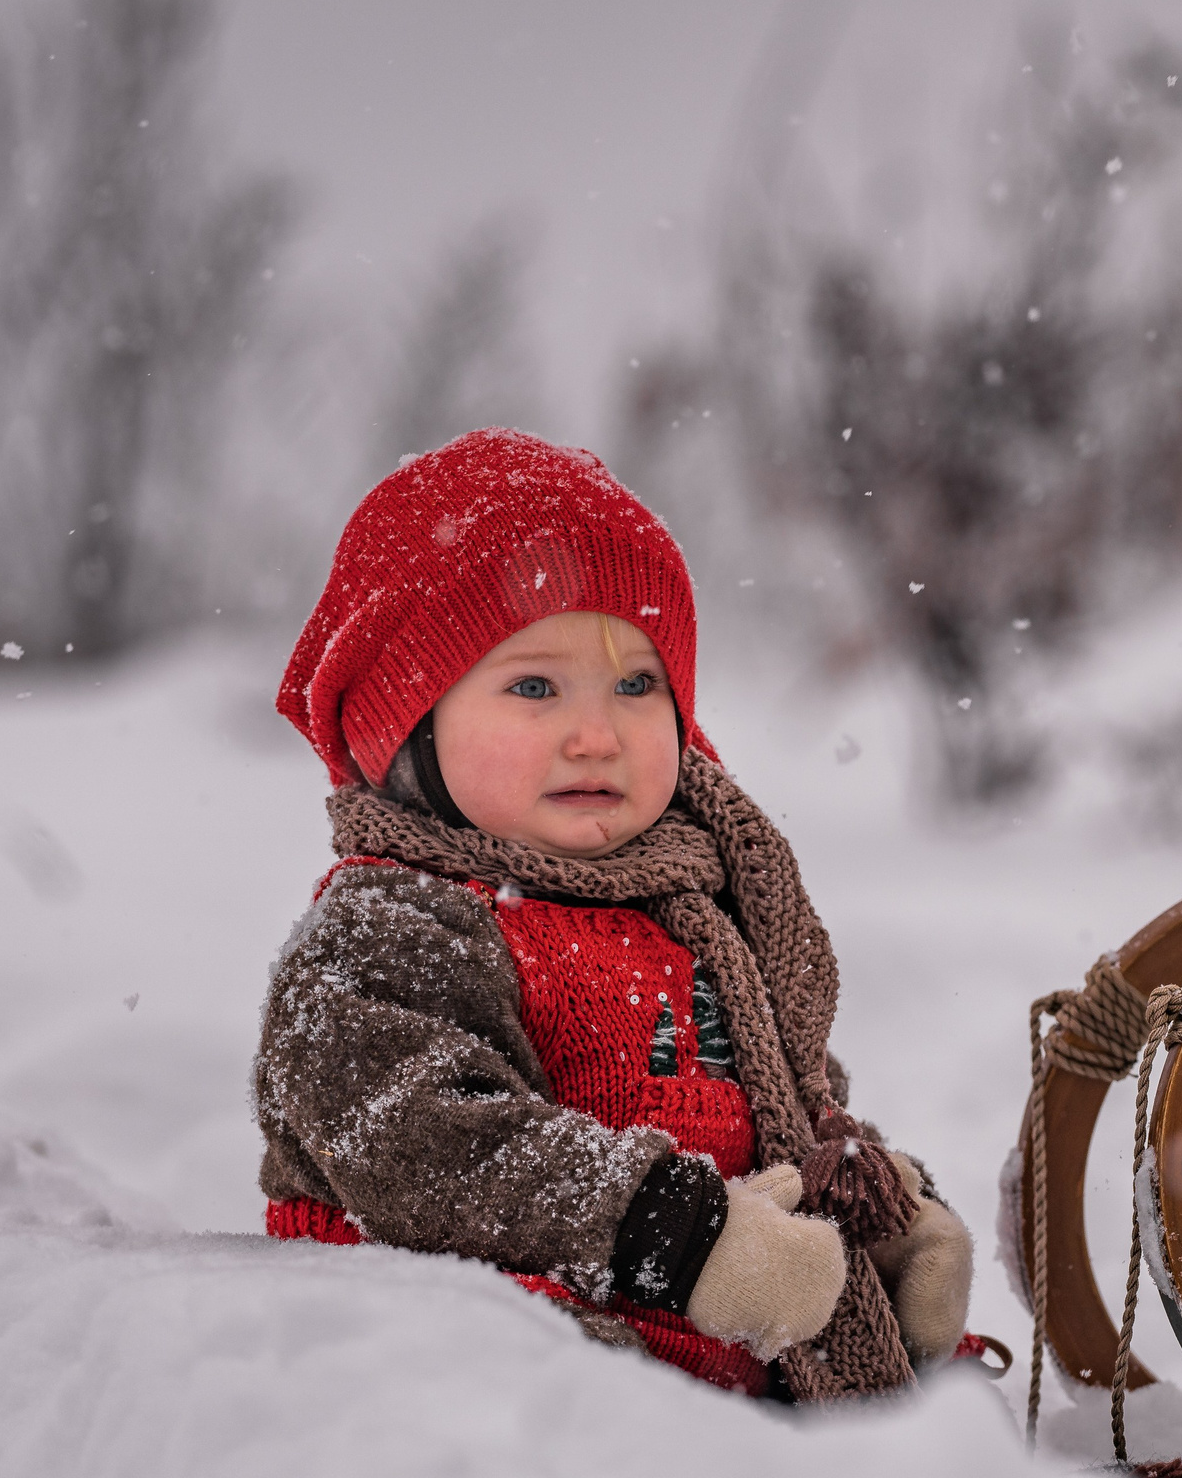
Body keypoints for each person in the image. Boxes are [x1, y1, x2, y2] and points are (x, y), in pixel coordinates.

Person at [253, 427, 972, 1402]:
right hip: (466, 1397)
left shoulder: (703, 913)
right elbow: (431, 1152)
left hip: (699, 1400)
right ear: (408, 723)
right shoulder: (393, 926)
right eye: (534, 686)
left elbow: (783, 1115)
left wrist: (876, 1213)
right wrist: (683, 1235)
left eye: (637, 685)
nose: (596, 734)